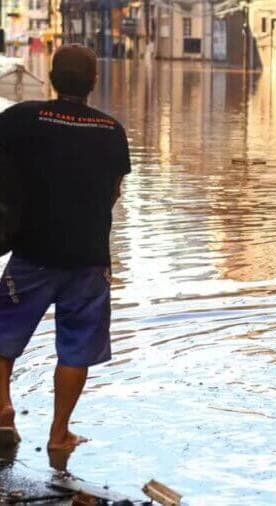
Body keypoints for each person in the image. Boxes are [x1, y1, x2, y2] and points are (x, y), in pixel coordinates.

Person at [0, 44, 131, 450]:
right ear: (94, 82)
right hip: (88, 259)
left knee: (2, 335)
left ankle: (3, 410)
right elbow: (112, 192)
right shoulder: (111, 131)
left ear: (52, 78)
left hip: (32, 253)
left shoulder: (20, 119)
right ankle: (59, 435)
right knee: (75, 348)